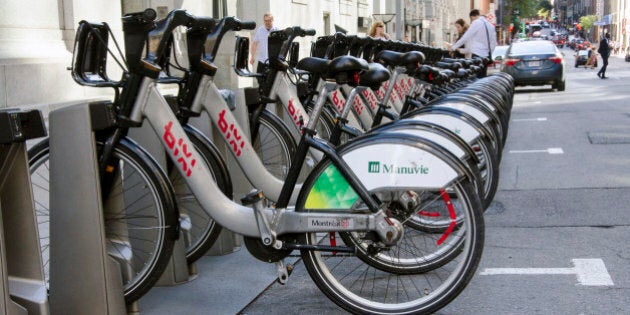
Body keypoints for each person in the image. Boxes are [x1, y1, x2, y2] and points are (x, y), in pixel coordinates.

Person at [447, 9, 497, 78]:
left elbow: (466, 37)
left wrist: (453, 47)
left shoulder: (476, 22)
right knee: (483, 78)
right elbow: (494, 43)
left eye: (471, 20)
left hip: (477, 54)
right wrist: (488, 52)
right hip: (486, 56)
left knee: (476, 79)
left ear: (473, 17)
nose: (471, 22)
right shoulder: (491, 25)